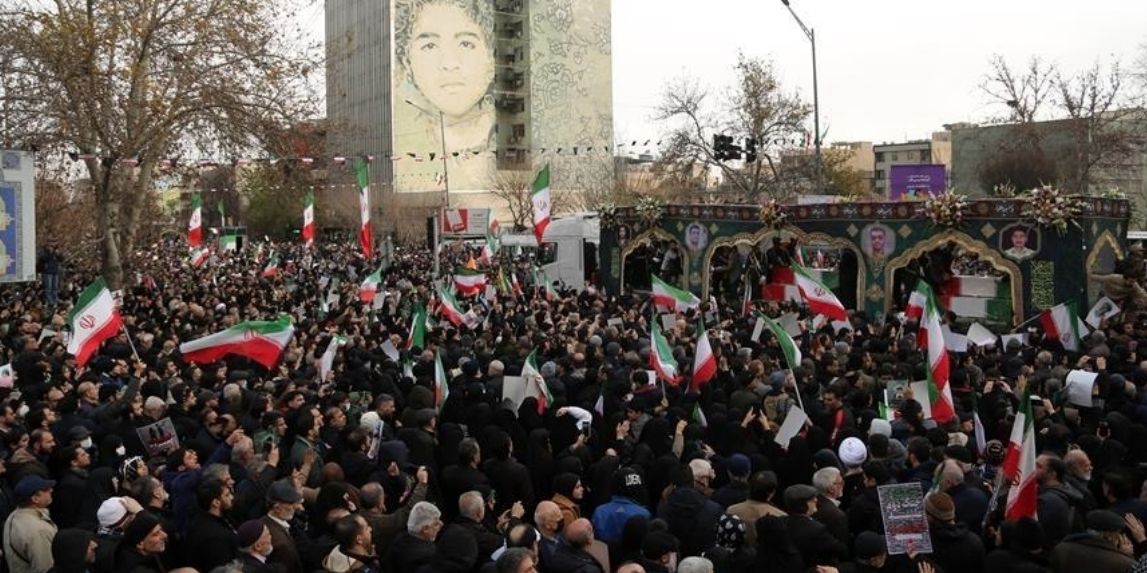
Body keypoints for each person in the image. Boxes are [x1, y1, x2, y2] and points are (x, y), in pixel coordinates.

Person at [394, 0, 495, 190]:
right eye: (430, 46)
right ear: (408, 63)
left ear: (491, 58)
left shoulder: (517, 142)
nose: (449, 63)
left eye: (466, 44)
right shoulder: (404, 151)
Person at [4, 475, 58, 573]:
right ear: (35, 499)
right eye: (45, 490)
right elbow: (46, 568)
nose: (51, 490)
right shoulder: (39, 530)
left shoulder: (13, 516)